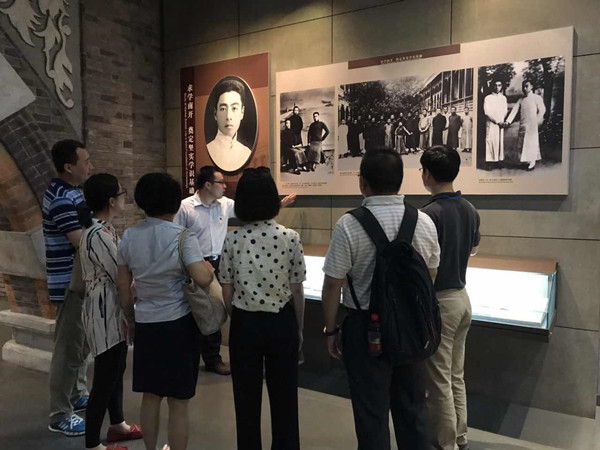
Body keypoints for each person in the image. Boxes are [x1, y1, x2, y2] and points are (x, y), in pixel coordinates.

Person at [322, 149, 440, 450]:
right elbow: (429, 277)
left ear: (363, 182)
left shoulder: (349, 224)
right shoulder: (423, 221)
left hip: (365, 329)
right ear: (400, 180)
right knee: (413, 409)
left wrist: (331, 330)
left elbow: (333, 284)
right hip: (412, 327)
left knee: (370, 413)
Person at [117, 173, 215, 450]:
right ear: (174, 203)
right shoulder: (183, 237)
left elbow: (123, 284)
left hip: (147, 322)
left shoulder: (129, 236)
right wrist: (208, 269)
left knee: (150, 395)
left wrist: (130, 317)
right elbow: (202, 278)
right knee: (179, 401)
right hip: (179, 324)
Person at [175, 166, 296, 376]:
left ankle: (213, 359)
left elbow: (252, 209)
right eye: (221, 182)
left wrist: (279, 205)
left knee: (214, 311)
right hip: (195, 264)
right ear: (208, 185)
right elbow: (176, 236)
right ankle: (189, 357)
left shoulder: (225, 204)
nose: (225, 186)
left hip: (218, 262)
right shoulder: (186, 207)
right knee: (194, 312)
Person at [220, 167, 306, 450]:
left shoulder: (232, 239)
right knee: (285, 398)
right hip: (281, 322)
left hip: (245, 324)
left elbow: (227, 289)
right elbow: (297, 289)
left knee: (245, 399)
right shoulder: (290, 237)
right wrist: (299, 327)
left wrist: (237, 316)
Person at [420, 146, 480, 450]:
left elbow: (422, 265)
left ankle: (445, 442)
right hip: (462, 297)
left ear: (427, 174)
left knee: (439, 378)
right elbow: (473, 250)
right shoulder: (470, 209)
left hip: (440, 301)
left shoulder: (428, 214)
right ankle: (460, 435)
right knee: (456, 374)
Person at [79, 174, 142, 450]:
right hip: (104, 309)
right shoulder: (98, 235)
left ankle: (117, 424)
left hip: (109, 307)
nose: (124, 196)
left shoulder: (102, 229)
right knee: (105, 377)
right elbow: (120, 274)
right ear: (111, 201)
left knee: (116, 369)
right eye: (121, 192)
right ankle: (93, 443)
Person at [45, 139, 93, 436]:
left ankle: (76, 394)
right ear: (68, 166)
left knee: (81, 344)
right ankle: (60, 413)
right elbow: (80, 241)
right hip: (69, 282)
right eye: (85, 162)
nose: (90, 166)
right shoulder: (62, 198)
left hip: (81, 280)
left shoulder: (74, 192)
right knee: (68, 349)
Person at [206, 79, 253, 172]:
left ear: (242, 112)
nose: (228, 116)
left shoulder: (246, 152)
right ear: (215, 114)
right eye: (223, 109)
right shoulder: (209, 149)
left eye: (234, 108)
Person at [504, 80, 546, 171]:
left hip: (532, 124)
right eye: (523, 86)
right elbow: (515, 110)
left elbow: (542, 110)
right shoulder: (521, 99)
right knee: (523, 142)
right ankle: (526, 161)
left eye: (526, 86)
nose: (524, 88)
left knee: (531, 142)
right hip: (523, 124)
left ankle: (532, 161)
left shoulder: (536, 98)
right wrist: (508, 121)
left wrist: (538, 121)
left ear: (532, 86)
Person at [483, 79, 508, 167]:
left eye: (499, 85)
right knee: (490, 140)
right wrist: (497, 121)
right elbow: (487, 112)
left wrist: (502, 121)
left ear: (501, 86)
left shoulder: (503, 98)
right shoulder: (488, 98)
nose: (497, 87)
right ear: (492, 86)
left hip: (501, 123)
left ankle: (498, 161)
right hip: (492, 123)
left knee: (499, 141)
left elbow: (505, 110)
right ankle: (490, 162)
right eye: (495, 85)